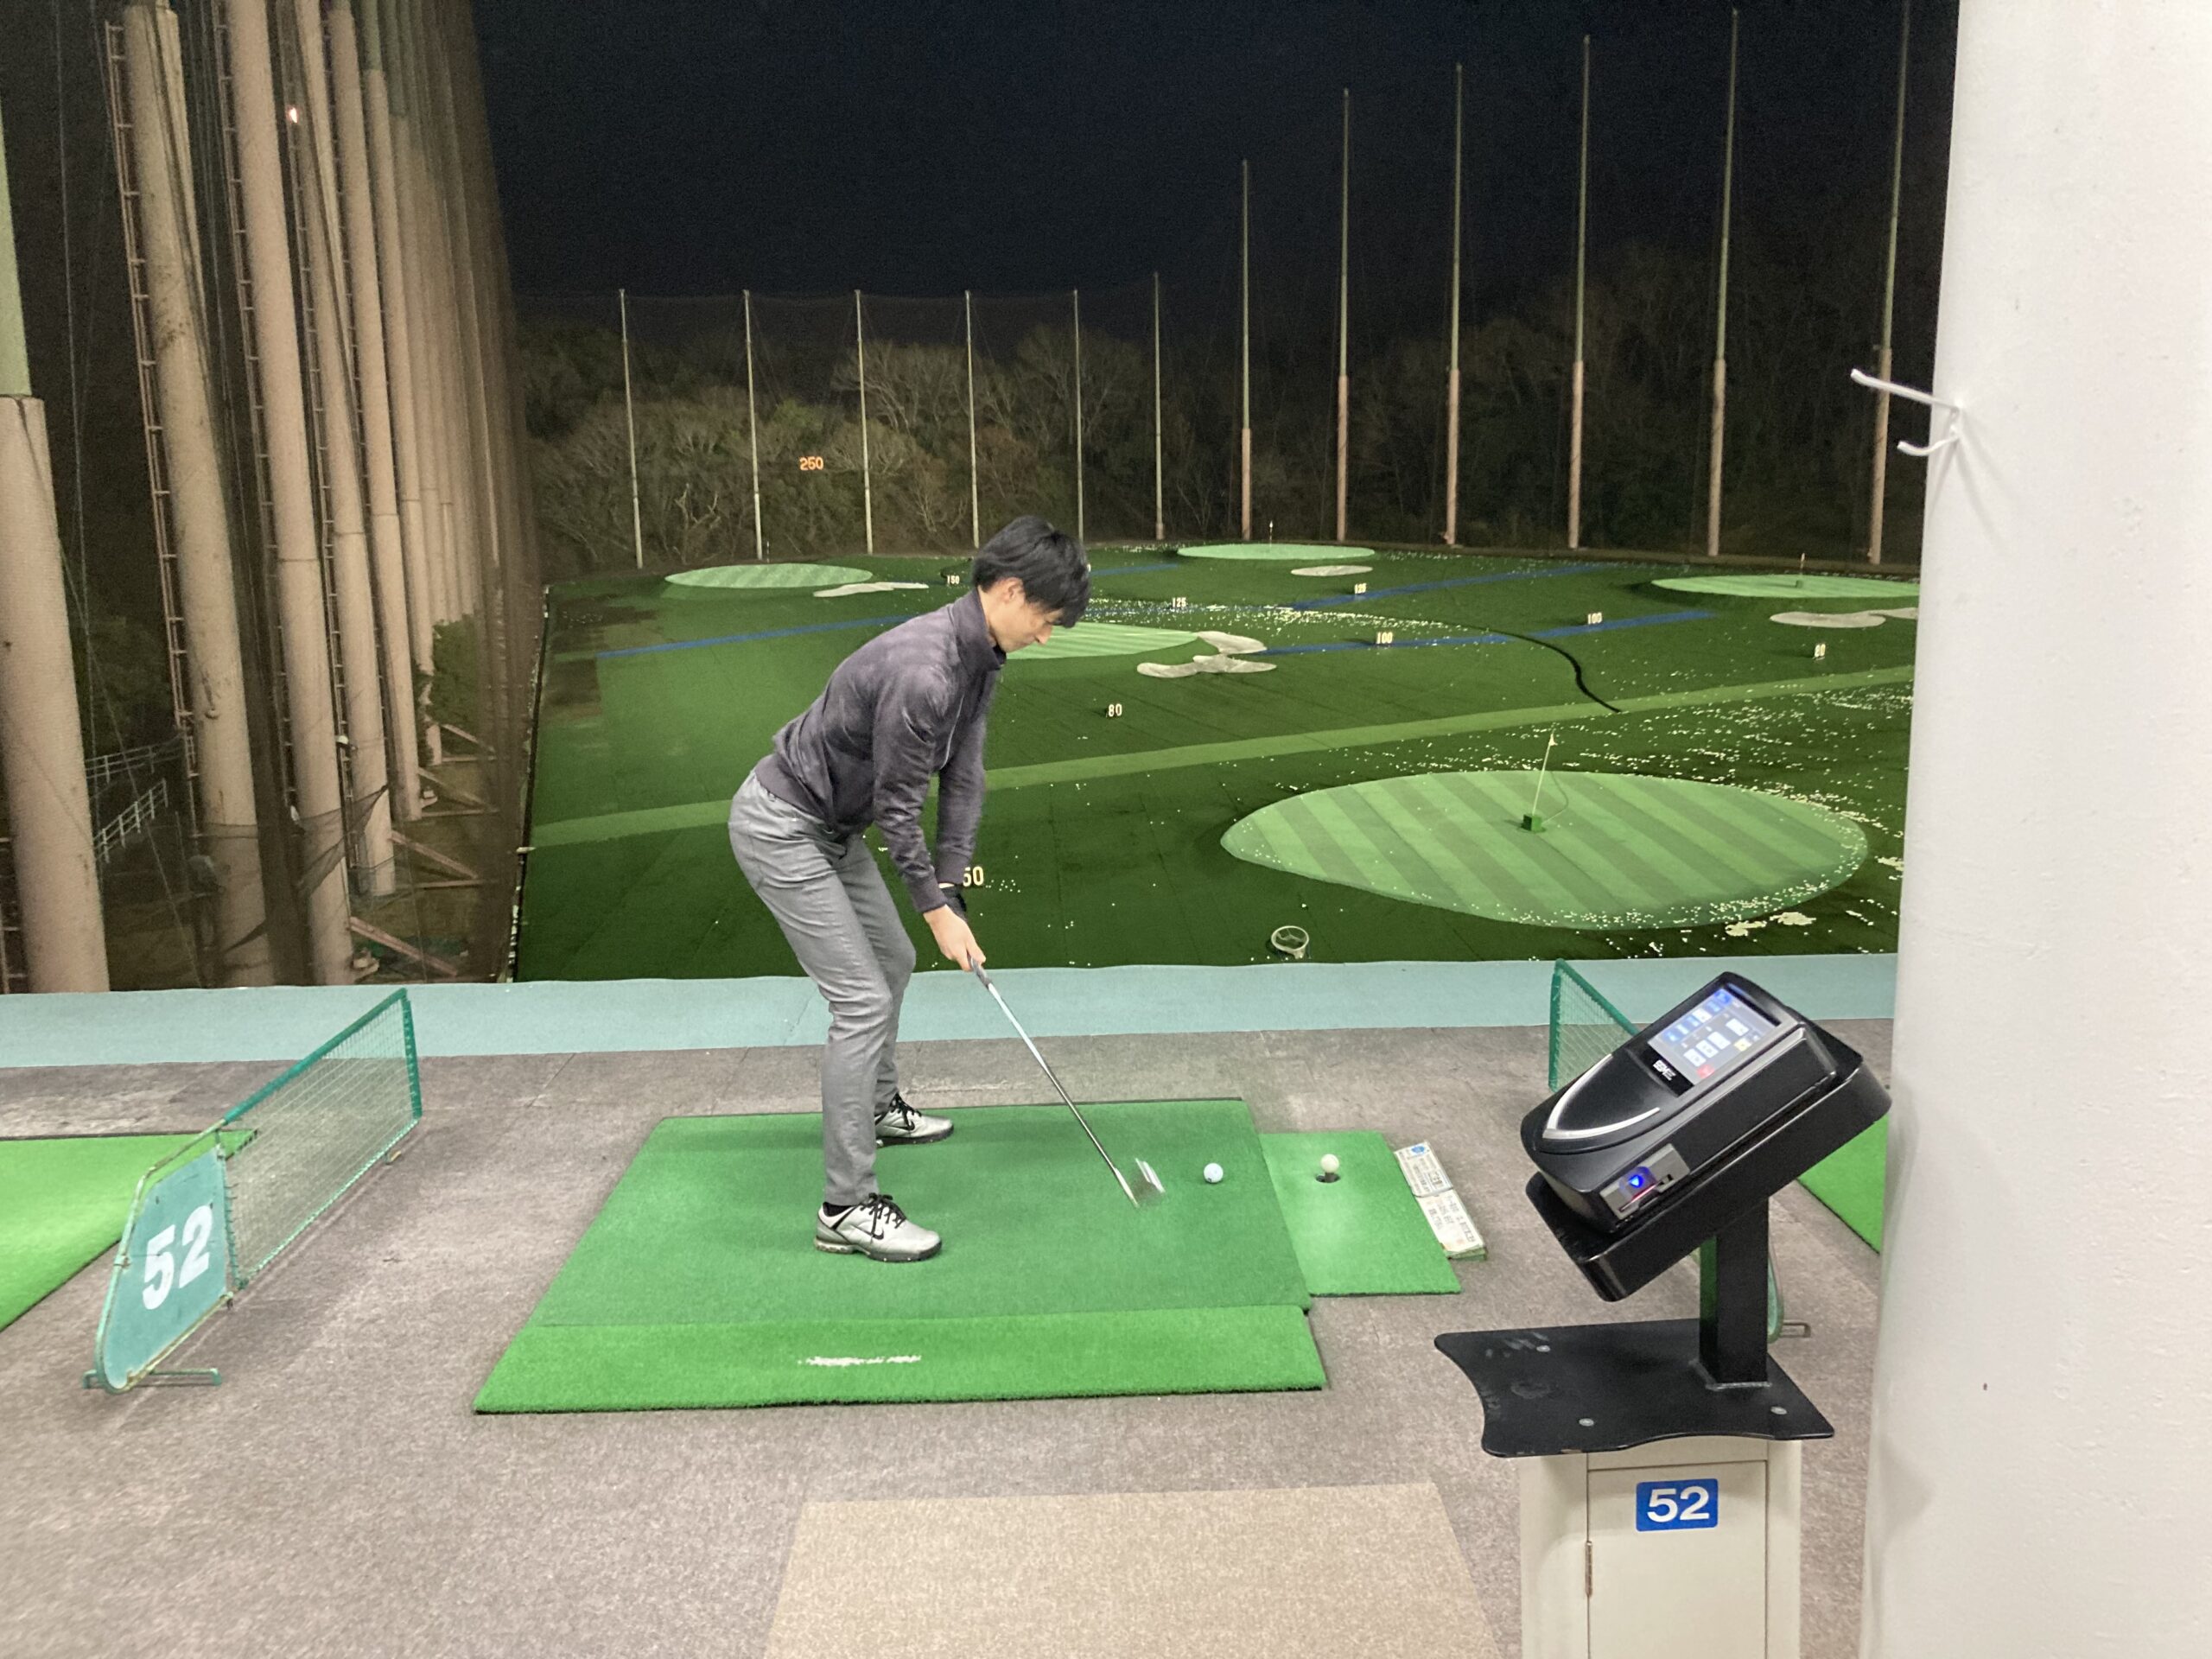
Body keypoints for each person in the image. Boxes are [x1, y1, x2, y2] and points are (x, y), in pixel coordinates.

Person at [728, 517, 1090, 1262]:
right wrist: (934, 910)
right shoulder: (926, 671)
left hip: (832, 828)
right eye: (1047, 619)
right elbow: (898, 808)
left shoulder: (981, 658)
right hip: (782, 826)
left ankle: (877, 1106)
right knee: (860, 1001)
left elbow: (964, 775)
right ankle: (845, 1207)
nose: (1047, 636)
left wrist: (950, 884)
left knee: (890, 961)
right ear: (1009, 591)